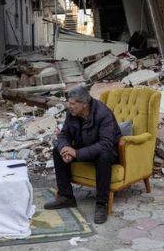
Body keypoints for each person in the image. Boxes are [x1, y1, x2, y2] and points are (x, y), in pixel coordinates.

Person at [43, 86, 121, 224]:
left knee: (103, 156)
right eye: (69, 103)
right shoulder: (72, 113)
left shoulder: (103, 114)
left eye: (73, 103)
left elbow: (105, 144)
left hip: (106, 152)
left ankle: (101, 204)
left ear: (84, 104)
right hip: (84, 146)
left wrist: (76, 153)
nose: (69, 106)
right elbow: (64, 134)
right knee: (57, 150)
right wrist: (65, 148)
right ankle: (66, 197)